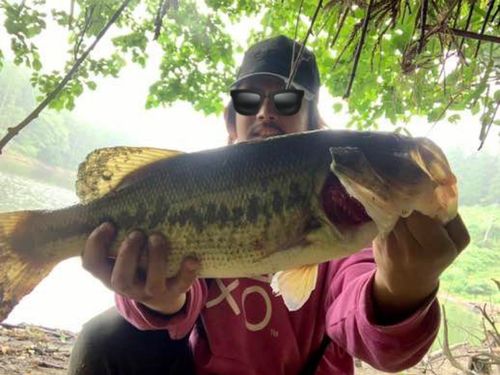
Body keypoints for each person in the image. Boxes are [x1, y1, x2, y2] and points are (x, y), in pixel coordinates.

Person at [68, 35, 470, 375]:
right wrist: (159, 298)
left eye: (286, 99)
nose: (264, 111)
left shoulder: (355, 229)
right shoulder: (199, 186)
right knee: (105, 340)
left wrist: (402, 291)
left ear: (314, 123)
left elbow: (367, 326)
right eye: (248, 100)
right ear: (231, 121)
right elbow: (176, 306)